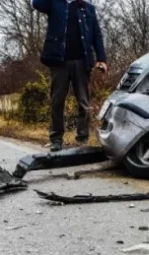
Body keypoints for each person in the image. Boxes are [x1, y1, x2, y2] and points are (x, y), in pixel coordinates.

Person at [32, 0, 108, 152]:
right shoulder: (55, 4)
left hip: (82, 62)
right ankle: (56, 139)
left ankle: (82, 139)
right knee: (57, 101)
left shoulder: (88, 8)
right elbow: (37, 3)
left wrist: (101, 59)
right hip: (58, 61)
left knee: (84, 103)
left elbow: (96, 35)